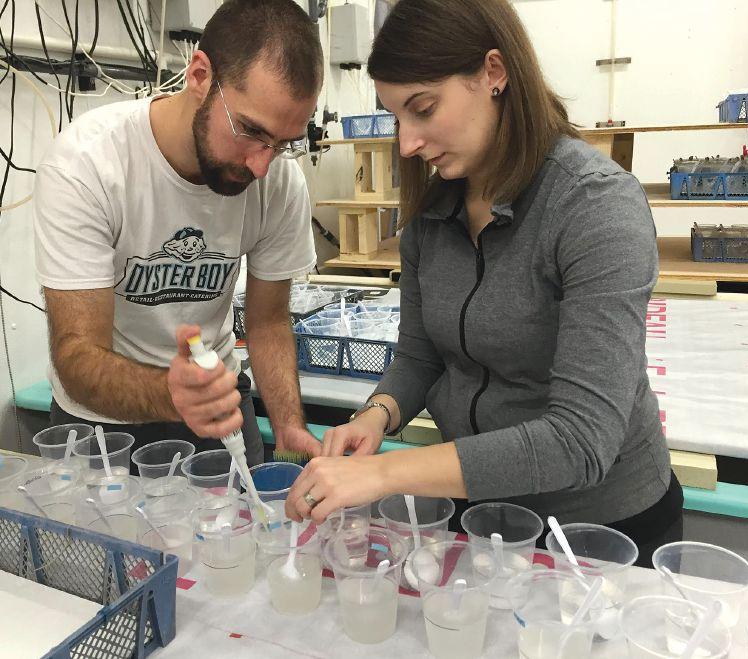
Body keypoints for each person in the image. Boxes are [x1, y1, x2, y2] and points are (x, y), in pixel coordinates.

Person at [285, 0, 682, 567]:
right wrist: (377, 414)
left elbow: (580, 439)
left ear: (493, 73)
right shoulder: (433, 213)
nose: (407, 143)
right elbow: (421, 355)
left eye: (423, 109)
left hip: (600, 531)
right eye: (396, 118)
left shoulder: (594, 205)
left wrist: (383, 473)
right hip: (483, 516)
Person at [33, 0, 323, 468]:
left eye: (282, 143)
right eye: (250, 130)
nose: (261, 165)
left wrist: (289, 425)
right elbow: (77, 356)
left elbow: (268, 322)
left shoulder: (278, 180)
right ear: (200, 75)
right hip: (102, 425)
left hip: (219, 407)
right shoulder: (88, 165)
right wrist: (172, 395)